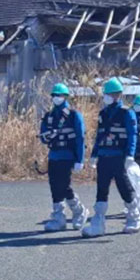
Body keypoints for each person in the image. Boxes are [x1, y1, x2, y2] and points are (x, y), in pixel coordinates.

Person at [82, 79, 140, 237]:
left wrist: (130, 155)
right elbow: (99, 135)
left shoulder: (126, 112)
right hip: (104, 156)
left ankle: (134, 217)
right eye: (106, 94)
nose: (106, 97)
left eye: (109, 94)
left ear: (117, 95)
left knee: (124, 187)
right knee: (101, 189)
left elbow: (132, 135)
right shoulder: (103, 113)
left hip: (119, 156)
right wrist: (94, 155)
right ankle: (98, 224)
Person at [39, 83, 89, 232]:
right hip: (54, 155)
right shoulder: (49, 116)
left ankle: (79, 211)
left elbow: (80, 138)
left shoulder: (74, 115)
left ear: (65, 97)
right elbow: (42, 136)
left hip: (68, 156)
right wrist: (46, 137)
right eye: (54, 95)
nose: (56, 98)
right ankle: (58, 217)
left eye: (59, 95)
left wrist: (80, 159)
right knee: (54, 186)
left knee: (64, 185)